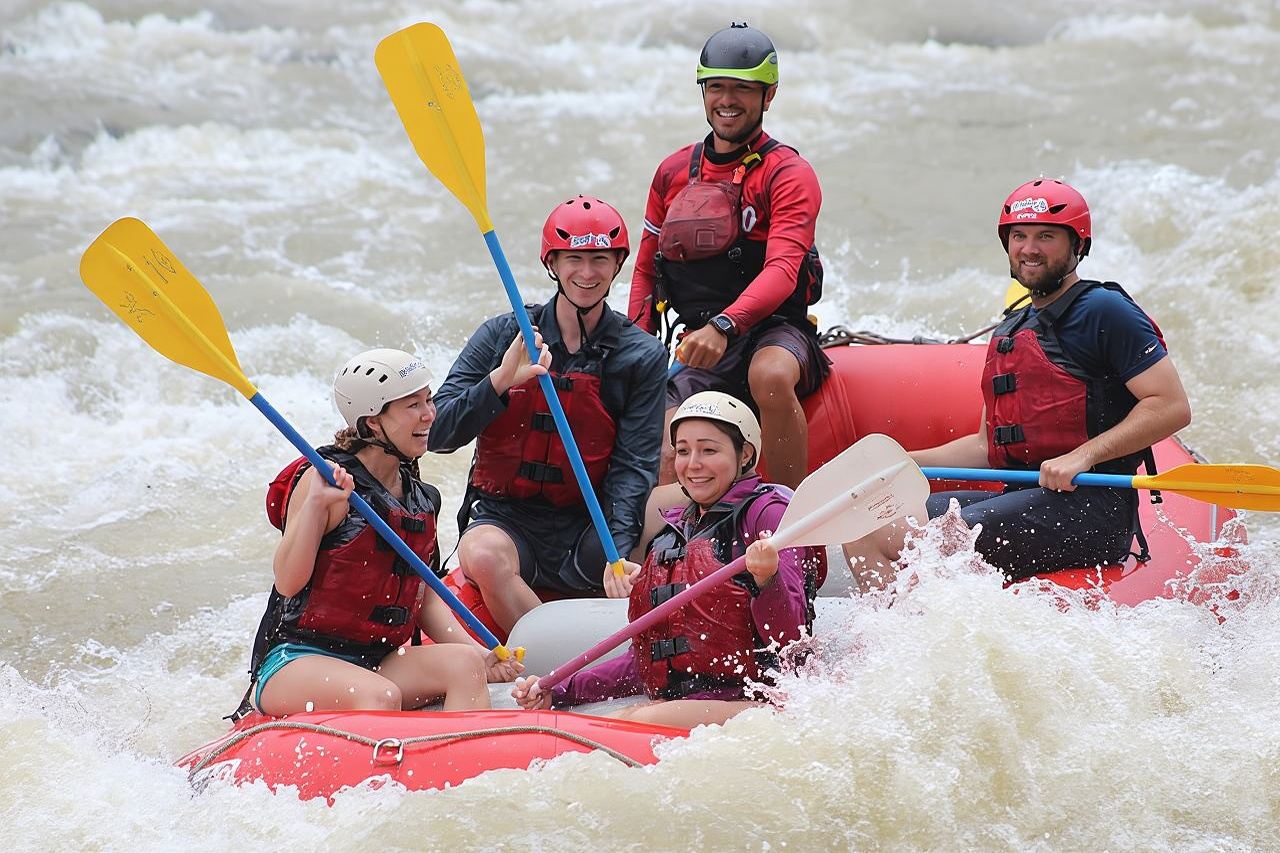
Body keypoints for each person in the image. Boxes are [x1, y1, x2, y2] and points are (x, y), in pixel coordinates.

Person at [847, 179, 1192, 584]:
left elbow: (1171, 406)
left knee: (929, 543)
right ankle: (894, 635)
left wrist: (1083, 456)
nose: (1029, 248)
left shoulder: (1105, 311)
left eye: (1046, 236)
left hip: (1092, 507)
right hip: (1024, 499)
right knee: (864, 525)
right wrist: (905, 461)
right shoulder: (1013, 329)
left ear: (1078, 246)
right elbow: (984, 445)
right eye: (1019, 236)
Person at [239, 349, 523, 719]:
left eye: (429, 399)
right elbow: (288, 582)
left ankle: (464, 769)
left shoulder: (420, 498)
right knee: (380, 696)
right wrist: (313, 507)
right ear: (373, 422)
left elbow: (422, 593)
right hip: (297, 659)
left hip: (375, 660)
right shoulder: (326, 481)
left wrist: (482, 653)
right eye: (412, 406)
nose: (429, 414)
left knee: (465, 664)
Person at [429, 196, 668, 633]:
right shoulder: (503, 335)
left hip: (589, 519)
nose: (588, 273)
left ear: (618, 265)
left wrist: (615, 553)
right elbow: (437, 433)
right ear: (552, 263)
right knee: (481, 553)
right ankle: (544, 658)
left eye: (600, 259)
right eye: (574, 258)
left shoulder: (642, 355)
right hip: (506, 517)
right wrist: (500, 381)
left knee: (654, 532)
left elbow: (635, 467)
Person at [511, 392, 814, 728]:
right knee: (624, 718)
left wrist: (768, 580)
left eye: (709, 450)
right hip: (691, 703)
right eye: (683, 451)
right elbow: (644, 664)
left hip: (761, 704)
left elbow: (790, 641)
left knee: (629, 721)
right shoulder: (675, 534)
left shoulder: (767, 515)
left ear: (745, 454)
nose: (692, 464)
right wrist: (560, 690)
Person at [627, 22, 830, 490]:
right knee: (664, 435)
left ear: (768, 94)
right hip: (697, 337)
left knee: (771, 375)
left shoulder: (789, 173)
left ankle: (783, 517)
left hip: (774, 329)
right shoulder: (673, 171)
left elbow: (783, 269)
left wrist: (725, 326)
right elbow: (644, 269)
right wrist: (636, 349)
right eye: (716, 86)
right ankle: (676, 546)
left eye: (742, 88)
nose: (727, 99)